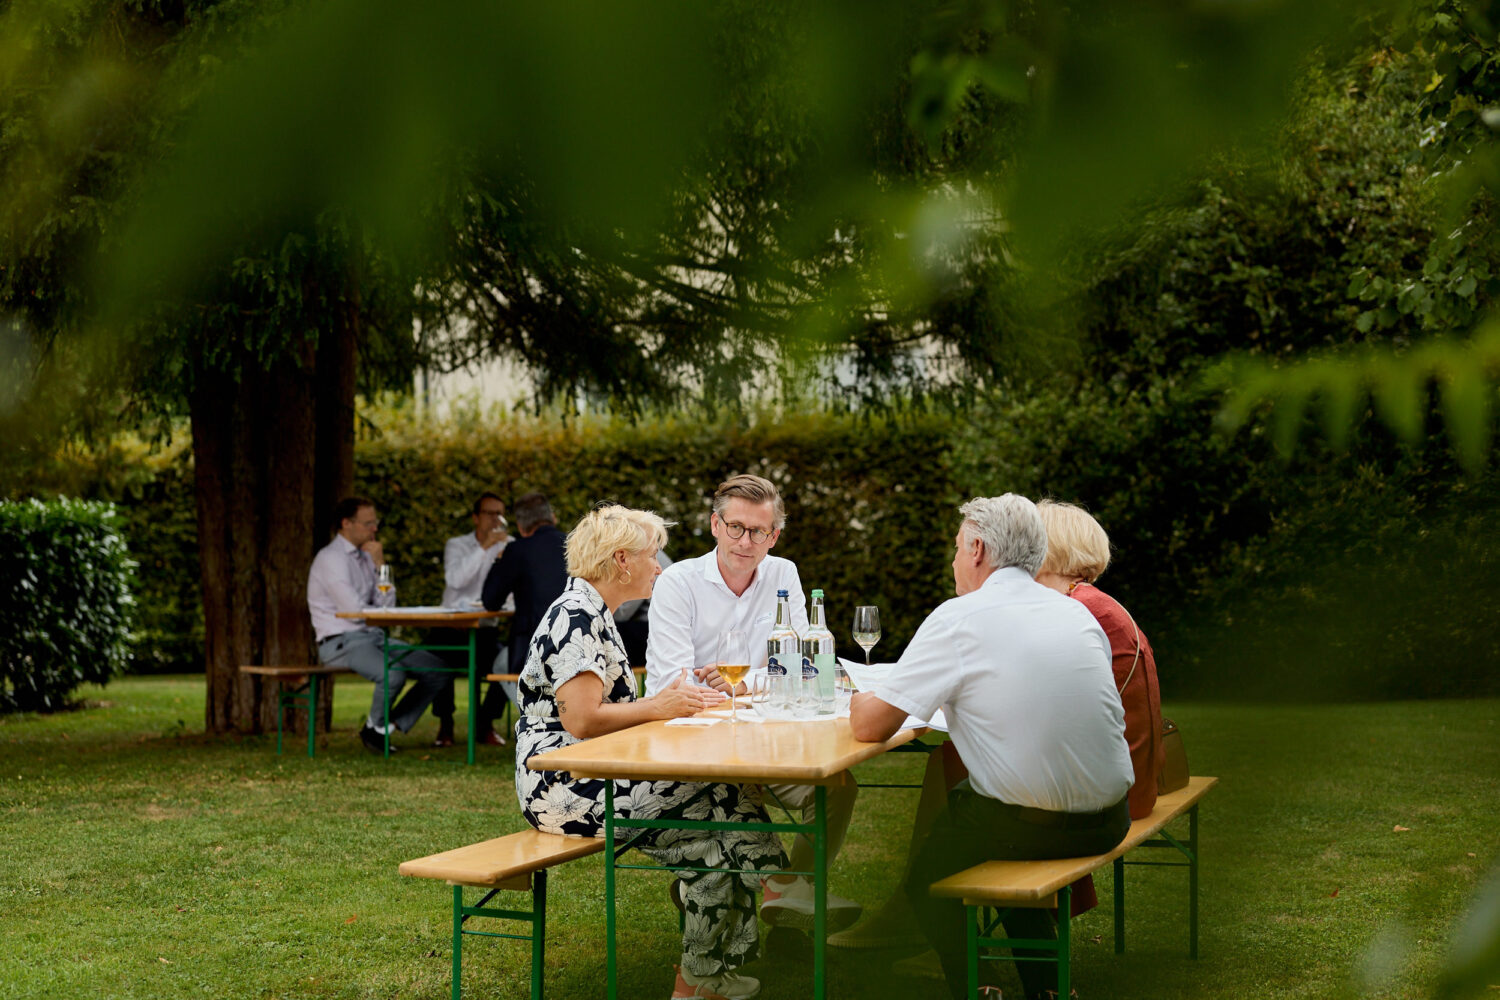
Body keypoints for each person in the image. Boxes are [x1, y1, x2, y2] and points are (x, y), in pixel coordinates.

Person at [849, 494, 1134, 1000]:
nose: (955, 560)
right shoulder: (1073, 613)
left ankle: (980, 987)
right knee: (1000, 832)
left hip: (1030, 825)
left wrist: (860, 693)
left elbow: (871, 726)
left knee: (929, 881)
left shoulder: (960, 616)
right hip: (1110, 818)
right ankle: (1048, 989)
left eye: (957, 548)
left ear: (978, 548)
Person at [515, 505, 787, 1000]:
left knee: (711, 848)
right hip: (564, 785)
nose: (659, 566)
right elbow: (581, 720)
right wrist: (657, 707)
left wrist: (658, 708)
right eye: (651, 554)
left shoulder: (596, 613)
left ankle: (699, 979)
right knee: (721, 785)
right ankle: (776, 877)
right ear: (622, 560)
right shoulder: (575, 616)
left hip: (606, 772)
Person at [646, 473, 862, 942]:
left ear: (774, 535)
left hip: (766, 732)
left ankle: (788, 888)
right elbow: (670, 684)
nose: (746, 541)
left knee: (838, 785)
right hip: (697, 742)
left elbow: (805, 665)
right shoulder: (678, 582)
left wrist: (735, 682)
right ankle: (765, 892)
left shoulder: (783, 573)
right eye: (736, 527)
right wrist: (761, 680)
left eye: (759, 531)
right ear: (715, 525)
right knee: (741, 793)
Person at [1035, 499, 1164, 820]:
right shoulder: (1088, 602)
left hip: (1114, 793)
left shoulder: (1077, 610)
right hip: (1131, 780)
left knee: (958, 761)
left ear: (1046, 550)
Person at [307, 496, 449, 754]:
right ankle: (375, 730)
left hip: (372, 637)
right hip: (340, 642)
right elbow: (352, 612)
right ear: (346, 524)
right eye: (368, 523)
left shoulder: (366, 557)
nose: (374, 529)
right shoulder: (331, 559)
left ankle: (381, 728)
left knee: (436, 670)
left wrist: (380, 565)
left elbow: (387, 604)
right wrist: (377, 612)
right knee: (391, 674)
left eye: (376, 522)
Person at [428, 492, 513, 748]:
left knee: (509, 664)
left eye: (500, 513)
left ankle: (485, 723)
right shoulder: (457, 545)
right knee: (439, 664)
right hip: (451, 627)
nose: (496, 519)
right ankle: (445, 725)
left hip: (486, 629)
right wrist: (484, 547)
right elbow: (455, 580)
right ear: (476, 518)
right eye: (489, 513)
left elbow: (510, 590)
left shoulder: (509, 546)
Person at [481, 491, 569, 718]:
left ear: (520, 526)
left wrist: (499, 559)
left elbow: (490, 600)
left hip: (533, 647)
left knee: (500, 664)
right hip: (577, 641)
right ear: (553, 517)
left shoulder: (517, 550)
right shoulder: (577, 545)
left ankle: (538, 717)